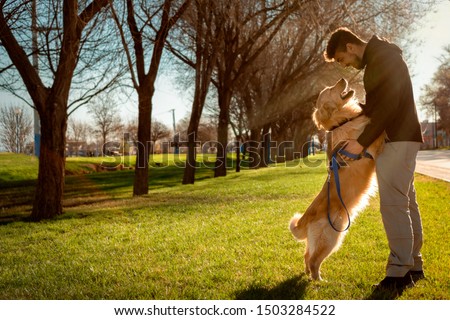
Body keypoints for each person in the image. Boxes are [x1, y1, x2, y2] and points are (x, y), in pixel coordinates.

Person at [323, 27, 424, 294]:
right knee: (405, 201)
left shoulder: (383, 59)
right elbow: (378, 106)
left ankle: (398, 272)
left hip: (397, 137)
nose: (346, 66)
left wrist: (361, 141)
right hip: (401, 137)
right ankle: (414, 266)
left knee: (393, 205)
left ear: (350, 47)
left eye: (343, 60)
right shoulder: (381, 58)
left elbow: (388, 106)